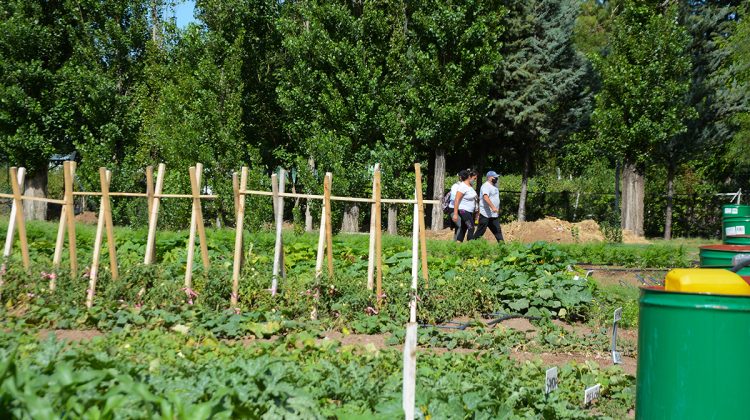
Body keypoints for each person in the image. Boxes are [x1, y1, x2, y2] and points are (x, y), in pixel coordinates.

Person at [474, 170, 504, 242]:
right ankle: (471, 244)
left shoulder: (495, 186)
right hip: (485, 213)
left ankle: (503, 248)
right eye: (495, 177)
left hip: (493, 214)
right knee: (481, 231)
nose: (496, 179)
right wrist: (493, 207)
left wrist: (497, 208)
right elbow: (485, 197)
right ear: (490, 178)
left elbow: (495, 198)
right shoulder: (486, 186)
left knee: (497, 231)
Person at [452, 169, 478, 242]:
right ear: (469, 177)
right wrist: (455, 214)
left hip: (469, 211)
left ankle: (457, 247)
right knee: (471, 227)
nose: (475, 180)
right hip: (463, 211)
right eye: (474, 178)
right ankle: (470, 246)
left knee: (463, 228)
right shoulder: (463, 186)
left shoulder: (470, 186)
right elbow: (456, 199)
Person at [446, 173, 462, 238]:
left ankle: (457, 243)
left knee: (469, 226)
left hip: (462, 210)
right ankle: (455, 244)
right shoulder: (455, 186)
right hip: (453, 209)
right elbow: (453, 199)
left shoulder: (467, 186)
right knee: (459, 225)